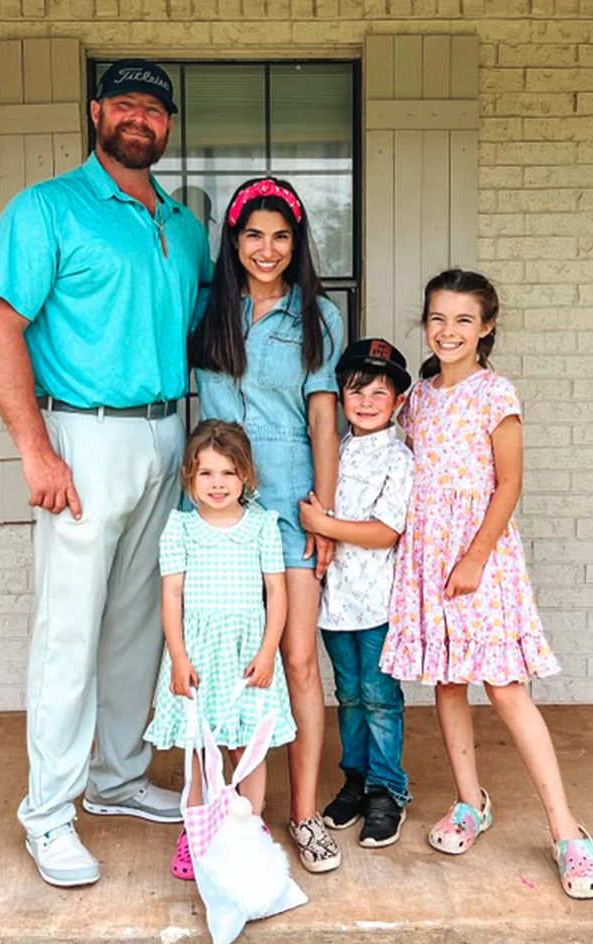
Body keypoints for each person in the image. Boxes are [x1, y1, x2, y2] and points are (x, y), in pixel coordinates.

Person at [0, 58, 212, 888]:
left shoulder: (183, 224)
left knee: (138, 623)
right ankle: (48, 813)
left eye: (154, 107)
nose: (139, 117)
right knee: (69, 631)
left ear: (167, 125)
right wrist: (36, 450)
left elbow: (193, 335)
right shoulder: (47, 208)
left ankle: (115, 781)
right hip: (82, 435)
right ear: (96, 112)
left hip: (164, 434)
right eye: (125, 104)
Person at [380, 269, 593, 899]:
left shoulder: (495, 394)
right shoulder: (417, 399)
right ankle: (467, 801)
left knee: (506, 689)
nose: (447, 331)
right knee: (448, 686)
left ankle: (566, 830)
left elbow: (508, 483)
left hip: (480, 555)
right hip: (428, 555)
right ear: (425, 323)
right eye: (437, 318)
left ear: (486, 328)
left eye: (462, 320)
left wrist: (476, 557)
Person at [189, 177, 344, 873]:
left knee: (298, 661)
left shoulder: (317, 316)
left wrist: (327, 516)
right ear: (234, 239)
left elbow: (322, 419)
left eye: (281, 236)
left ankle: (304, 813)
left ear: (296, 242)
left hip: (288, 501)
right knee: (227, 661)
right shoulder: (206, 310)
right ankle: (228, 809)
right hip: (220, 508)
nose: (267, 249)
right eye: (253, 234)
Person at [144, 420, 295, 880]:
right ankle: (195, 833)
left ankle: (248, 825)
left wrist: (269, 651)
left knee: (249, 746)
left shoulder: (262, 526)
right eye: (206, 473)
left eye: (228, 473)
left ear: (245, 476)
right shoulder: (180, 528)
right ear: (190, 477)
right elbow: (171, 596)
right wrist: (178, 656)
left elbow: (278, 592)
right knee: (199, 749)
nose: (217, 484)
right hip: (199, 655)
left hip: (248, 652)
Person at [298, 338, 415, 849]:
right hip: (335, 602)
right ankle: (356, 778)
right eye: (355, 391)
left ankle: (387, 789)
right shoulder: (336, 450)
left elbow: (386, 531)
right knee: (347, 695)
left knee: (379, 697)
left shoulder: (399, 458)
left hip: (378, 603)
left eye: (379, 393)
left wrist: (325, 523)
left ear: (399, 401)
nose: (366, 402)